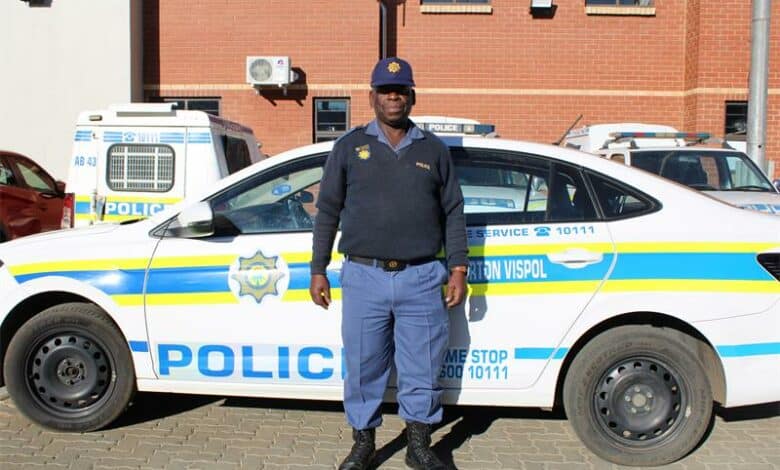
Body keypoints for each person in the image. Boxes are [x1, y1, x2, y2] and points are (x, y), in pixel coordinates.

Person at [309, 57, 468, 470]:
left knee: (423, 367)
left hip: (422, 276)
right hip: (364, 275)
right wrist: (317, 269)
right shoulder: (349, 147)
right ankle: (363, 444)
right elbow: (327, 211)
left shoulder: (433, 149)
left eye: (400, 90)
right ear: (372, 97)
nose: (393, 97)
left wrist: (458, 268)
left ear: (412, 96)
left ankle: (418, 445)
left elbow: (453, 211)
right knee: (363, 366)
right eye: (385, 91)